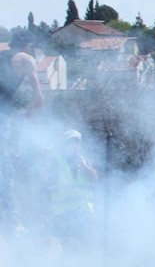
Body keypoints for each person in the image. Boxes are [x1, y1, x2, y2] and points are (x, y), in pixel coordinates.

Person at [0, 35, 44, 230]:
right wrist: (29, 112)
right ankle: (12, 221)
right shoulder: (25, 58)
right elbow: (38, 98)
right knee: (4, 169)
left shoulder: (3, 56)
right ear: (27, 45)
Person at [48, 130, 99, 252]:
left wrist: (82, 165)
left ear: (80, 145)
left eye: (76, 142)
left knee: (86, 247)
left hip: (84, 212)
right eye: (70, 142)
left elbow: (94, 179)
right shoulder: (57, 162)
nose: (74, 146)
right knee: (68, 248)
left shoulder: (84, 161)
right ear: (64, 145)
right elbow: (49, 185)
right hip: (64, 213)